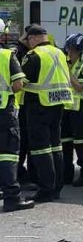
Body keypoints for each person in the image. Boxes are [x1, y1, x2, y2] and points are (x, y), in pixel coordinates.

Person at [21, 25, 73, 202]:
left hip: (39, 105)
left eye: (28, 40)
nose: (28, 43)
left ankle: (46, 189)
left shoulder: (33, 56)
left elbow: (22, 82)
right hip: (58, 104)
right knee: (56, 147)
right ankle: (57, 186)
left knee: (41, 149)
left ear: (34, 38)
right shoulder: (59, 52)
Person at [0, 19, 35, 212]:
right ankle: (11, 197)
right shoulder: (7, 56)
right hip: (4, 112)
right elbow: (18, 84)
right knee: (8, 155)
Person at [61, 33, 83, 186]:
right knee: (65, 142)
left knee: (80, 142)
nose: (69, 52)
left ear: (78, 50)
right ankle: (66, 174)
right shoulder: (66, 62)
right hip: (66, 108)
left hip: (79, 109)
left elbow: (80, 87)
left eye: (72, 49)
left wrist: (67, 72)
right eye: (68, 49)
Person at [14, 25, 36, 188]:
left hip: (23, 103)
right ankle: (19, 174)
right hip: (18, 103)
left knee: (25, 141)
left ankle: (22, 173)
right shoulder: (18, 52)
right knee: (20, 142)